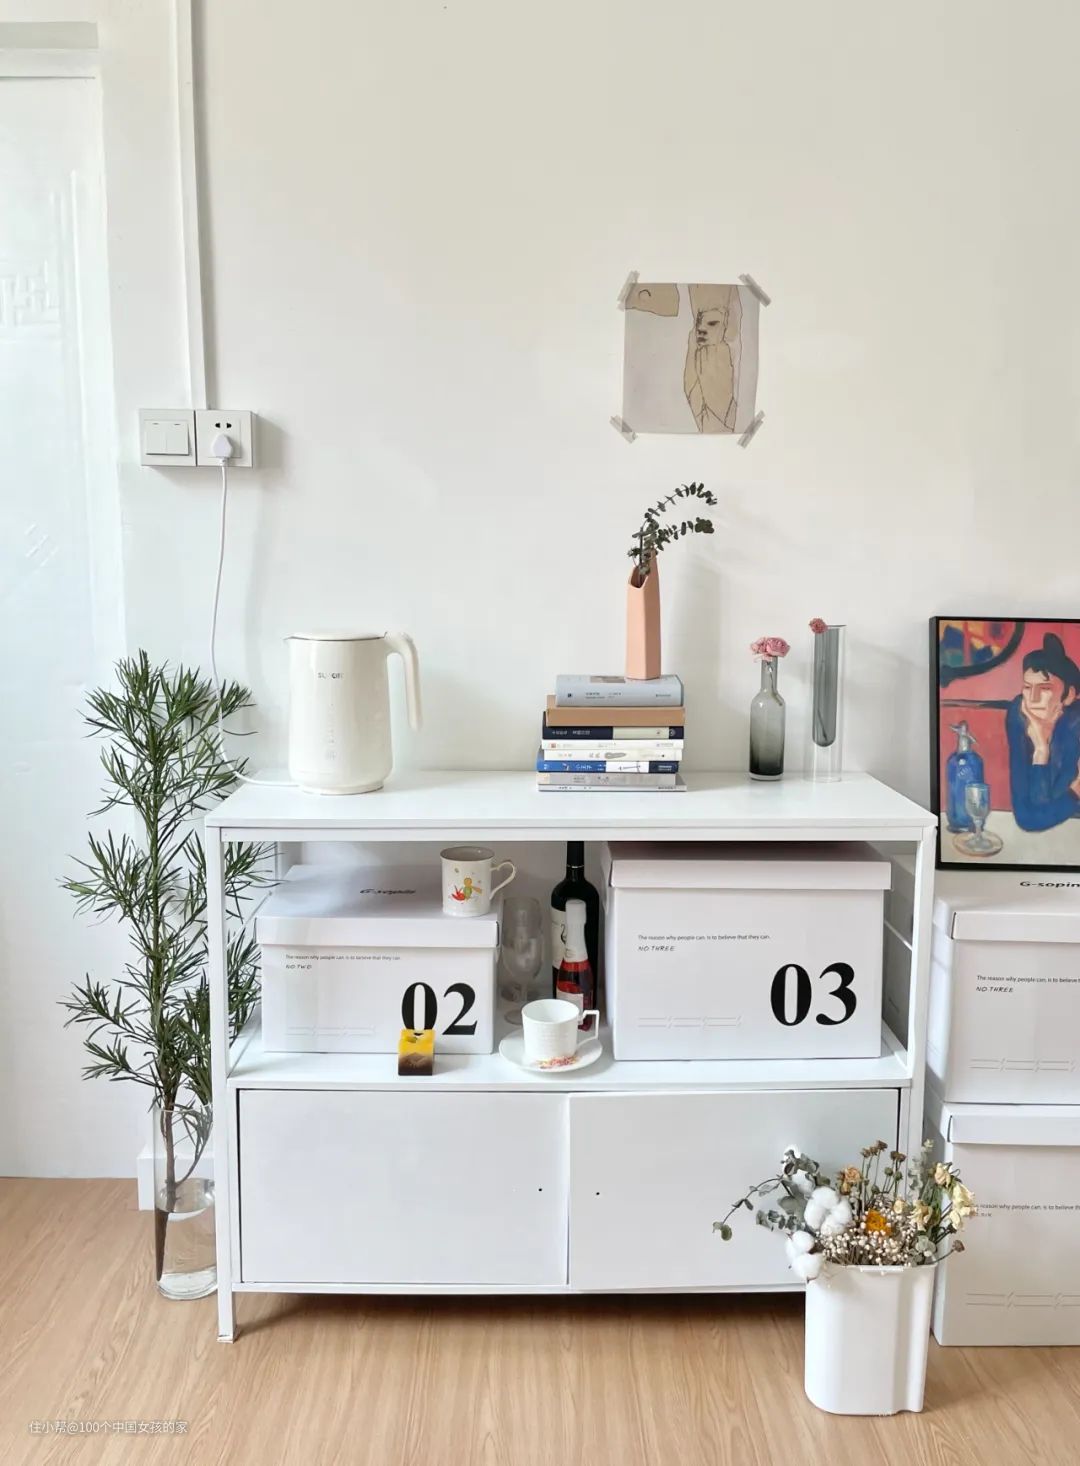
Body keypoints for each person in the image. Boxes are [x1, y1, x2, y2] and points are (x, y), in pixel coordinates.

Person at [1006, 633, 1080, 831]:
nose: (1033, 698)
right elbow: (1027, 817)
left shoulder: (1076, 723)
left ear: (1069, 695)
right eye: (1027, 687)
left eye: (1045, 688)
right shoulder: (1019, 714)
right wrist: (1041, 748)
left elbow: (1041, 813)